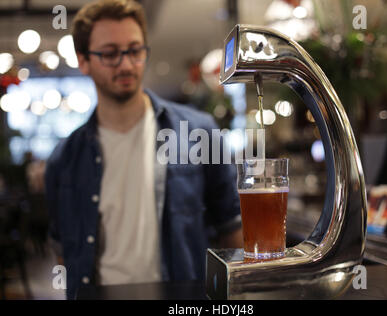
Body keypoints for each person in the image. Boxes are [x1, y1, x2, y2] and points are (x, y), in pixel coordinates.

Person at [44, 0, 242, 300]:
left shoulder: (198, 132)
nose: (125, 64)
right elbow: (63, 253)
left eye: (134, 50)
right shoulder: (65, 158)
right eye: (110, 54)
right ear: (83, 60)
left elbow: (232, 230)